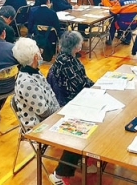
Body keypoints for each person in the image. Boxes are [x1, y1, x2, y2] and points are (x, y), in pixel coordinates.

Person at [46, 31, 95, 185]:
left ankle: (88, 157)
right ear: (76, 47)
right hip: (68, 104)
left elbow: (83, 81)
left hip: (71, 99)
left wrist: (95, 87)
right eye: (80, 43)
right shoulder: (67, 64)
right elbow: (77, 88)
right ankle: (61, 173)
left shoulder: (66, 59)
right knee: (90, 123)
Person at [12, 37, 60, 130]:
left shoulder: (35, 72)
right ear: (35, 57)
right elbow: (43, 112)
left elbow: (50, 93)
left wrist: (59, 110)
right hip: (38, 125)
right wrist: (58, 114)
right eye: (39, 51)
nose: (41, 54)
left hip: (50, 116)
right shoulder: (27, 82)